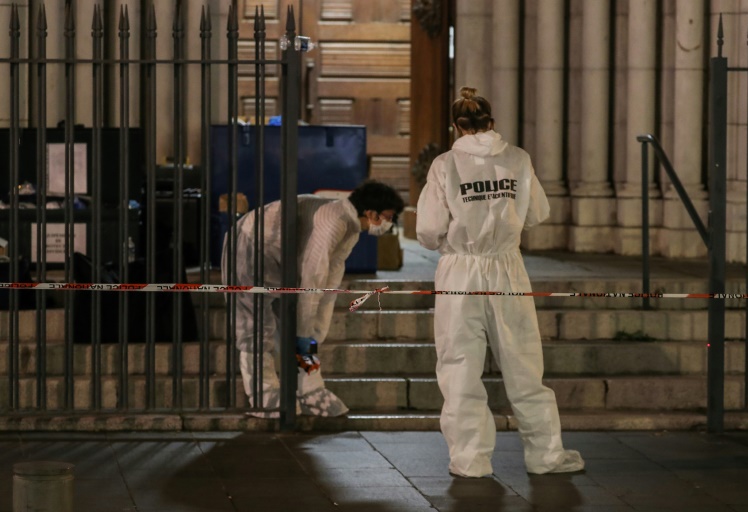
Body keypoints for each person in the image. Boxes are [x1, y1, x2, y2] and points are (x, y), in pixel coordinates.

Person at [416, 87, 585, 476]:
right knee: (524, 362)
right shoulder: (518, 159)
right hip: (507, 267)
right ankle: (546, 455)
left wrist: (451, 241)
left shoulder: (445, 165)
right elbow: (537, 212)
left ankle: (470, 460)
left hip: (460, 270)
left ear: (457, 127)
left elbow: (427, 230)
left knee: (460, 365)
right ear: (492, 123)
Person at [221, 180, 405, 417]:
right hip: (249, 242)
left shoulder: (350, 228)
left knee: (299, 331)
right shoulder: (333, 221)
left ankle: (308, 387)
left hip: (278, 256)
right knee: (255, 326)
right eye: (389, 217)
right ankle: (263, 393)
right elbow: (312, 279)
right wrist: (306, 333)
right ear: (371, 213)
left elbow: (329, 286)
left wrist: (315, 333)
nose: (390, 224)